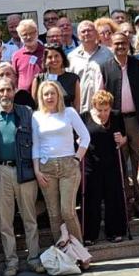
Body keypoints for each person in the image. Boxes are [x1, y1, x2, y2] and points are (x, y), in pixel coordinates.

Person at [0, 81, 43, 276]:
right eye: (1, 90)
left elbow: (37, 140)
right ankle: (11, 262)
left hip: (24, 171)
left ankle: (34, 258)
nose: (5, 94)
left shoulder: (26, 112)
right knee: (5, 221)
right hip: (0, 171)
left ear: (14, 91)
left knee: (29, 218)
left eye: (9, 90)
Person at [32, 80, 90, 244]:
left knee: (67, 211)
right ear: (41, 97)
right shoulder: (36, 116)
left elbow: (85, 137)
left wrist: (77, 158)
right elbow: (35, 145)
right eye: (46, 94)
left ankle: (79, 251)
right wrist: (37, 171)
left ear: (58, 95)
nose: (49, 97)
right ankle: (64, 252)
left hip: (68, 166)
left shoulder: (69, 112)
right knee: (54, 214)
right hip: (46, 167)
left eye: (53, 93)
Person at [99, 32, 139, 198]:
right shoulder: (104, 68)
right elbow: (99, 96)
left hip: (137, 120)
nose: (120, 46)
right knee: (118, 162)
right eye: (117, 44)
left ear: (129, 44)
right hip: (116, 123)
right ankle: (124, 202)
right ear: (111, 45)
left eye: (123, 43)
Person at [82, 90, 128, 244]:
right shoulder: (85, 117)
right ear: (94, 107)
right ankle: (89, 234)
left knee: (113, 197)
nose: (103, 113)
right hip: (91, 164)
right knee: (91, 199)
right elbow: (79, 137)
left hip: (112, 162)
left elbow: (125, 136)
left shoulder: (116, 116)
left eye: (106, 110)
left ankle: (115, 231)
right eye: (99, 110)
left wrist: (122, 140)